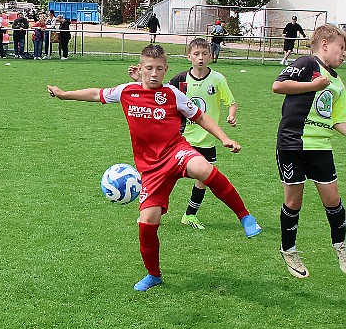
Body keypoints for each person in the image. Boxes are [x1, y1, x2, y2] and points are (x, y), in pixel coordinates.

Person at [48, 44, 258, 292]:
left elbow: (200, 116)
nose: (154, 74)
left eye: (160, 69)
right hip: (149, 170)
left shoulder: (172, 94)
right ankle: (154, 274)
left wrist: (224, 138)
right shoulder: (127, 92)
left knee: (203, 168)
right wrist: (64, 94)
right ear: (140, 69)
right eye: (149, 68)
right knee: (147, 222)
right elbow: (96, 94)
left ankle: (245, 216)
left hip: (175, 151)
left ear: (166, 69)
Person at [129, 38, 261, 236]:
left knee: (204, 175)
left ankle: (192, 214)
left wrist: (226, 129)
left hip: (205, 139)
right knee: (165, 181)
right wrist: (139, 82)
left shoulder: (217, 79)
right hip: (179, 141)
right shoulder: (180, 80)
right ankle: (152, 209)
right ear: (188, 56)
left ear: (210, 56)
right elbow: (156, 92)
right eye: (196, 54)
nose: (200, 58)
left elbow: (217, 108)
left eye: (204, 54)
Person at [272, 24, 346, 279]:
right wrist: (313, 86)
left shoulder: (338, 82)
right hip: (292, 143)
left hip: (321, 147)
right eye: (341, 47)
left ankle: (341, 247)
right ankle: (288, 249)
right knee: (294, 201)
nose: (344, 53)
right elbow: (278, 86)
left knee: (333, 200)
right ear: (325, 44)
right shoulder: (306, 63)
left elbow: (338, 120)